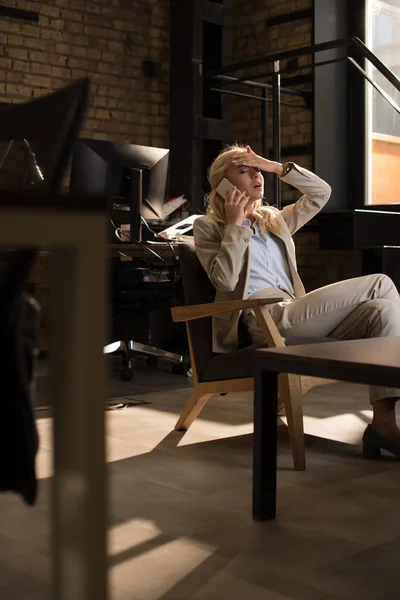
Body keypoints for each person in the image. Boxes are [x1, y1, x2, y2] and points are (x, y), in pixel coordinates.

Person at [193, 143, 400, 458]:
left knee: (383, 310)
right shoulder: (208, 227)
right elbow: (223, 280)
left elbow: (321, 193)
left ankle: (383, 422)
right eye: (244, 170)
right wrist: (236, 225)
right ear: (223, 184)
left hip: (296, 311)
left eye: (257, 169)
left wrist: (275, 166)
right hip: (268, 319)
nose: (256, 175)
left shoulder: (274, 219)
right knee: (381, 283)